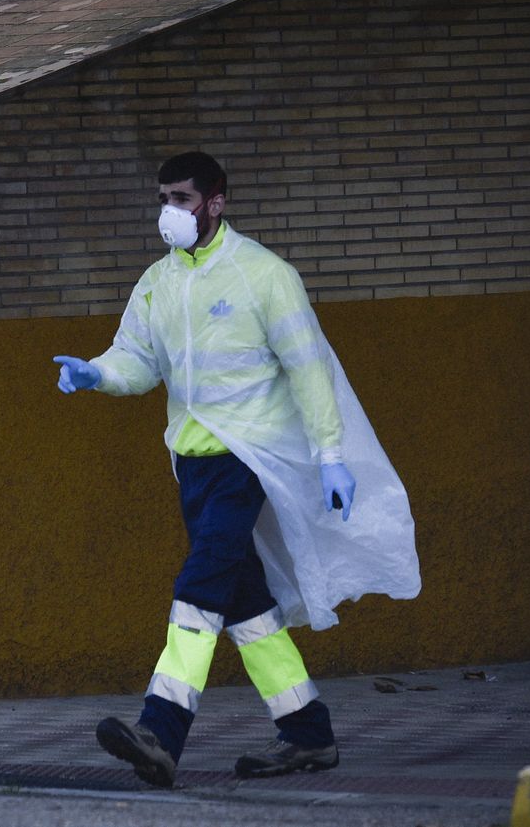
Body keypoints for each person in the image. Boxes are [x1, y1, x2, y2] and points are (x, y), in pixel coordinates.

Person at [53, 151, 419, 787]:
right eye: (164, 197)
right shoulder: (157, 282)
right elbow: (136, 358)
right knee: (246, 605)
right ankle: (307, 733)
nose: (170, 211)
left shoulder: (263, 275)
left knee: (200, 583)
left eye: (183, 198)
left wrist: (332, 456)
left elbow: (310, 369)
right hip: (191, 466)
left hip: (247, 459)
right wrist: (98, 373)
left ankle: (160, 730)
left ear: (216, 203)